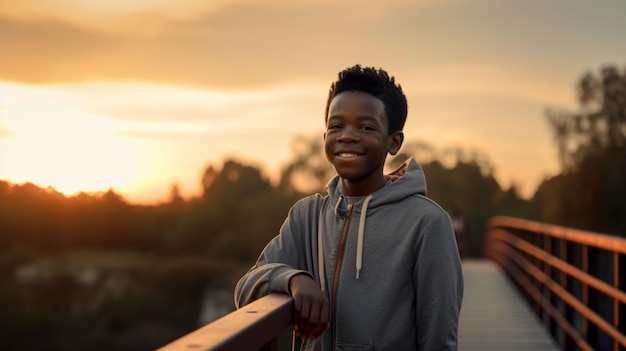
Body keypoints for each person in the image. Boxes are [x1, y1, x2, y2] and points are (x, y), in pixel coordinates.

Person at [234, 64, 463, 350]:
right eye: (336, 126)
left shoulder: (427, 222)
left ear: (394, 142)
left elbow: (439, 338)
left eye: (366, 127)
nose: (347, 136)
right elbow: (246, 288)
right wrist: (295, 279)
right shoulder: (307, 216)